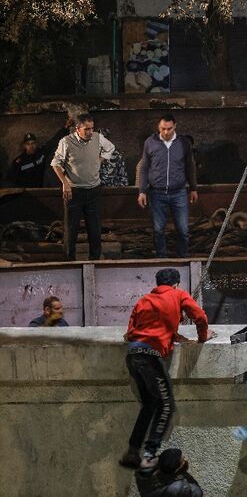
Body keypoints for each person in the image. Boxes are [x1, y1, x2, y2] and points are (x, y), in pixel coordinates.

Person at [119, 268, 215, 470]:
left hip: (133, 355)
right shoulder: (178, 294)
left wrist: (171, 335)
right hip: (151, 357)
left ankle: (132, 451)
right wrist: (203, 337)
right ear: (176, 284)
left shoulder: (144, 300)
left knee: (150, 404)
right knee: (166, 406)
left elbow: (131, 333)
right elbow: (200, 317)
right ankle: (149, 456)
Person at [51, 113, 116, 261]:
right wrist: (65, 183)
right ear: (77, 129)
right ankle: (69, 261)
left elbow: (110, 148)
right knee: (71, 229)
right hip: (74, 191)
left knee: (94, 228)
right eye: (86, 129)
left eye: (92, 128)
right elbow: (56, 163)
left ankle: (94, 259)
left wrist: (99, 161)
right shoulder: (66, 142)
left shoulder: (97, 138)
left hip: (93, 190)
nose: (90, 132)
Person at [137, 114, 199, 258]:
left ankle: (182, 258)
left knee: (183, 230)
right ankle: (161, 258)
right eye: (163, 129)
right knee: (158, 229)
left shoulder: (183, 143)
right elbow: (144, 167)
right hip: (156, 192)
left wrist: (193, 188)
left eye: (169, 129)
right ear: (159, 127)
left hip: (179, 192)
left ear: (175, 126)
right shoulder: (150, 142)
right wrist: (142, 191)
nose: (166, 132)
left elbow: (190, 166)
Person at [134, 448, 203, 497]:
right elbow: (197, 493)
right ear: (176, 470)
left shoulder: (146, 473)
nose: (186, 459)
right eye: (183, 460)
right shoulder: (178, 488)